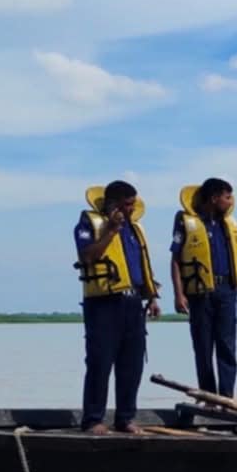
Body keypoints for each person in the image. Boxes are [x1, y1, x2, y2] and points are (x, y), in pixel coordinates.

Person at [73, 181, 161, 434]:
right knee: (100, 362)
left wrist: (152, 297)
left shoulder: (134, 229)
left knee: (132, 364)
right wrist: (111, 230)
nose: (131, 209)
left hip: (133, 302)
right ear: (113, 204)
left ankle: (125, 418)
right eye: (127, 204)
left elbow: (140, 265)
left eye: (133, 204)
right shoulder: (89, 224)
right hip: (103, 303)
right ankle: (93, 419)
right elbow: (87, 256)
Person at [171, 176, 237, 399]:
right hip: (200, 293)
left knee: (227, 345)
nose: (231, 202)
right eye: (227, 197)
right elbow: (176, 259)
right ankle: (208, 396)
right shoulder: (186, 221)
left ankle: (227, 396)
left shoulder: (227, 224)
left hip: (227, 290)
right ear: (214, 198)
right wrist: (178, 294)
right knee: (203, 346)